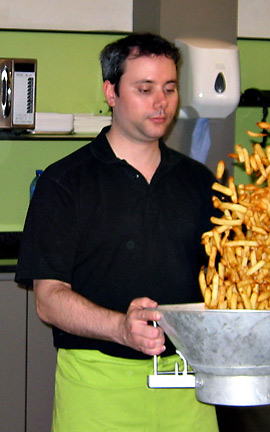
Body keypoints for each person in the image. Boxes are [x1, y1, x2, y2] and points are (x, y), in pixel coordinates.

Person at [15, 33, 219, 432]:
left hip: (186, 384)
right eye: (145, 89)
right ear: (111, 92)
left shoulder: (200, 183)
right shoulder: (64, 183)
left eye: (169, 88)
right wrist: (120, 328)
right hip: (96, 386)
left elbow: (229, 280)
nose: (161, 102)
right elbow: (49, 300)